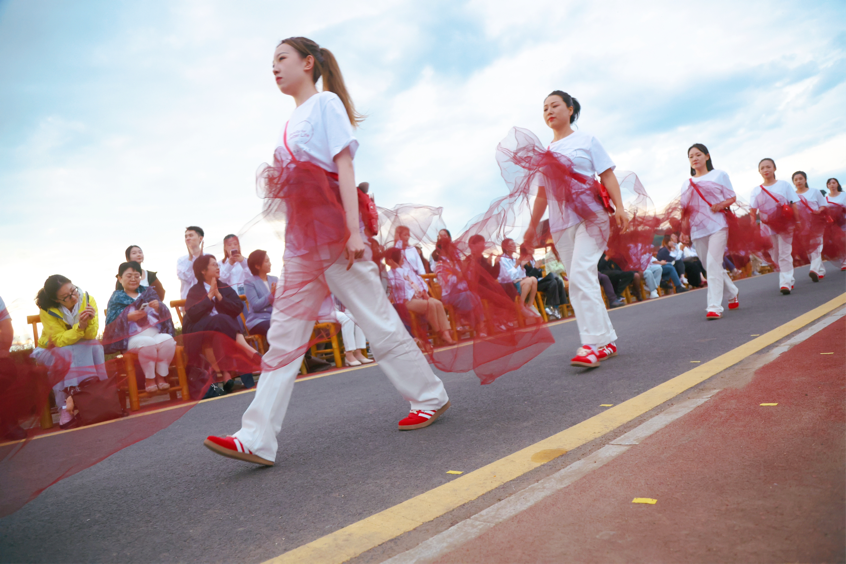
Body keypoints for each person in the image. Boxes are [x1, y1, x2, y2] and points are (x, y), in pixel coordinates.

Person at [205, 37, 450, 466]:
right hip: (301, 243)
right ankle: (256, 437)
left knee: (375, 318)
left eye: (282, 59)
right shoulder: (289, 121)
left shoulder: (326, 104)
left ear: (308, 63)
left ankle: (429, 395)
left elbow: (345, 165)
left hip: (336, 234)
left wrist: (354, 232)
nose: (275, 68)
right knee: (283, 336)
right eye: (272, 62)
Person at [520, 91, 630, 368]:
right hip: (561, 224)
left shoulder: (587, 140)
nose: (549, 111)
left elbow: (606, 175)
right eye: (544, 108)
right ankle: (606, 341)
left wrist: (620, 207)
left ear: (570, 109)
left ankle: (590, 345)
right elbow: (543, 196)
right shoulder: (546, 154)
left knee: (581, 274)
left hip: (591, 216)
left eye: (555, 105)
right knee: (582, 280)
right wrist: (531, 230)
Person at [31, 275, 107, 428]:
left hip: (78, 346)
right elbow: (58, 340)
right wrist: (79, 328)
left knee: (96, 347)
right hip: (49, 349)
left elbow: (92, 335)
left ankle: (103, 397)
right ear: (56, 300)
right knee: (64, 354)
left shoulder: (87, 299)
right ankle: (66, 407)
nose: (73, 297)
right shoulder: (48, 310)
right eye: (66, 297)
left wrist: (87, 324)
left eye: (73, 290)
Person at [679, 144, 740, 319]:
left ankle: (714, 306)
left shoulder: (719, 175)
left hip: (718, 225)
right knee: (708, 266)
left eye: (698, 154)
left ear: (707, 156)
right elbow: (685, 211)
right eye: (691, 156)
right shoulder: (687, 183)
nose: (694, 158)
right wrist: (684, 231)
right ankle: (732, 291)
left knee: (714, 264)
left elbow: (732, 196)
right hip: (698, 229)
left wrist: (721, 205)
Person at [183, 255, 260, 391]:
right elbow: (192, 314)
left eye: (217, 264)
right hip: (200, 330)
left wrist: (219, 296)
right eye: (214, 265)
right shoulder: (195, 290)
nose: (218, 267)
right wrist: (210, 296)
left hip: (221, 331)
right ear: (203, 270)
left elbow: (237, 307)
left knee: (220, 331)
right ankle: (247, 349)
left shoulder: (223, 287)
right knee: (221, 319)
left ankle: (226, 377)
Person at [104, 262, 176, 394]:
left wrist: (159, 307)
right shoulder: (116, 298)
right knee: (147, 343)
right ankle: (150, 379)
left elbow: (164, 312)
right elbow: (110, 322)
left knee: (168, 340)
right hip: (133, 339)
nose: (133, 279)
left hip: (154, 333)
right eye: (129, 276)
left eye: (137, 276)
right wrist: (127, 317)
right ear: (120, 278)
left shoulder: (149, 292)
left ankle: (161, 376)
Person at [750, 158, 800, 294]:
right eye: (762, 168)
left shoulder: (784, 185)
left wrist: (798, 221)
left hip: (785, 225)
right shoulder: (756, 190)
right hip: (767, 227)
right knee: (775, 255)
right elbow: (753, 211)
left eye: (768, 167)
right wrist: (752, 225)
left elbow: (793, 203)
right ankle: (789, 278)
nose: (765, 170)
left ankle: (785, 283)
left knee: (784, 252)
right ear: (759, 171)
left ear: (774, 168)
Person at [386, 248, 455, 345]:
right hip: (406, 301)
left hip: (418, 297)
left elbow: (419, 280)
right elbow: (399, 285)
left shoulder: (407, 270)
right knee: (430, 305)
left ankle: (446, 332)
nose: (403, 258)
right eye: (400, 256)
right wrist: (397, 269)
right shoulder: (390, 275)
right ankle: (440, 332)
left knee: (437, 303)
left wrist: (423, 291)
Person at [317, 295, 374, 366]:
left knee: (358, 317)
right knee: (346, 319)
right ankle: (349, 354)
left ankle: (358, 353)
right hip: (322, 312)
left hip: (337, 310)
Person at [792, 171, 828, 282]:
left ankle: (814, 269)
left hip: (816, 222)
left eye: (800, 178)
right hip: (802, 226)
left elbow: (824, 205)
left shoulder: (815, 191)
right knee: (809, 249)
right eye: (796, 179)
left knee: (816, 246)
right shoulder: (792, 195)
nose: (798, 181)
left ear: (805, 180)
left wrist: (819, 211)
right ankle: (820, 270)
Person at [497, 239, 539, 317]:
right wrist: (516, 265)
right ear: (506, 248)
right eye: (511, 244)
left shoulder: (514, 258)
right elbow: (507, 276)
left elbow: (520, 275)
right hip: (507, 285)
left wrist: (522, 266)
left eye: (514, 244)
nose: (514, 246)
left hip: (517, 281)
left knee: (533, 279)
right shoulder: (502, 259)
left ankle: (530, 304)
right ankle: (521, 305)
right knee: (529, 281)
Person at [177, 226, 205, 300]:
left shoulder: (209, 257)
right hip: (188, 301)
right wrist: (190, 259)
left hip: (207, 299)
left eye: (191, 235)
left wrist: (201, 260)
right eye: (186, 236)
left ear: (200, 238)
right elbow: (186, 278)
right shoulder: (181, 260)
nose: (187, 238)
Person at [825, 178, 846, 271]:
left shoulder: (844, 195)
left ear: (837, 184)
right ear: (827, 186)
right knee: (840, 241)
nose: (832, 185)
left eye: (834, 183)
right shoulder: (825, 198)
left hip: (844, 221)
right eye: (830, 183)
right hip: (834, 224)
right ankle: (844, 262)